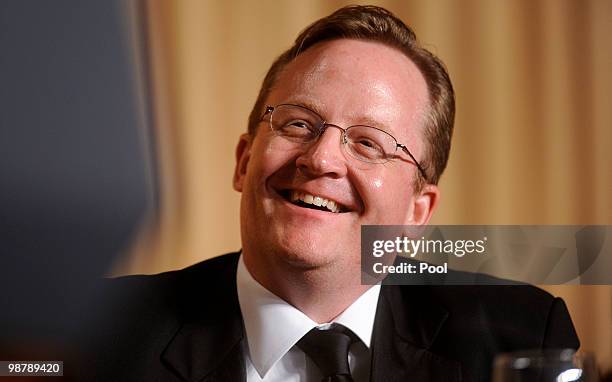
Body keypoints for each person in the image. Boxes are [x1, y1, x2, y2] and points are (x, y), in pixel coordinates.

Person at [80, 5, 579, 382]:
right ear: (243, 160)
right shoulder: (95, 336)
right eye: (298, 123)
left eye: (369, 143)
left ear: (416, 211)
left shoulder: (519, 335)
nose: (321, 159)